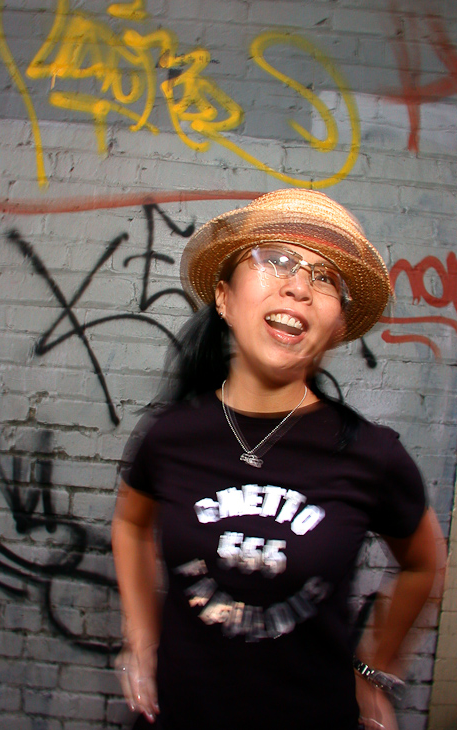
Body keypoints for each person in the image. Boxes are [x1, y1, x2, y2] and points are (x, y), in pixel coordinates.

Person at [111, 189, 440, 730]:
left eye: (324, 277)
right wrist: (140, 635)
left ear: (337, 325)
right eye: (276, 260)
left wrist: (375, 670)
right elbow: (129, 524)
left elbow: (424, 563)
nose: (298, 286)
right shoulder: (171, 435)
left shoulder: (372, 455)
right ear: (224, 297)